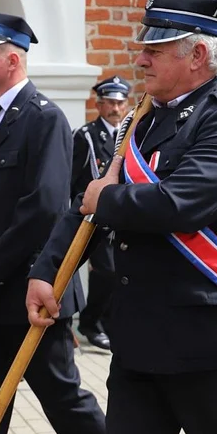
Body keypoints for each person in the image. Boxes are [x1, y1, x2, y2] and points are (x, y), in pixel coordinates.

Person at [27, 0, 217, 434]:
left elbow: (179, 204)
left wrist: (100, 200)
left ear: (196, 56)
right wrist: (47, 271)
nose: (140, 57)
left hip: (203, 342)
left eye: (156, 48)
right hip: (137, 339)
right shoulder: (141, 123)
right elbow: (87, 208)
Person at [0, 12, 105, 434]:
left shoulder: (43, 119)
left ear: (12, 60)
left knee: (67, 407)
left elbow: (43, 209)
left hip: (29, 296)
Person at [70, 75, 131, 351]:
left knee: (119, 272)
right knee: (104, 271)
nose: (116, 109)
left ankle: (108, 323)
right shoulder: (86, 136)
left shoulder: (131, 135)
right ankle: (90, 322)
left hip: (123, 216)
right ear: (99, 104)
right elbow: (72, 178)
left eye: (120, 103)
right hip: (92, 216)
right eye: (110, 103)